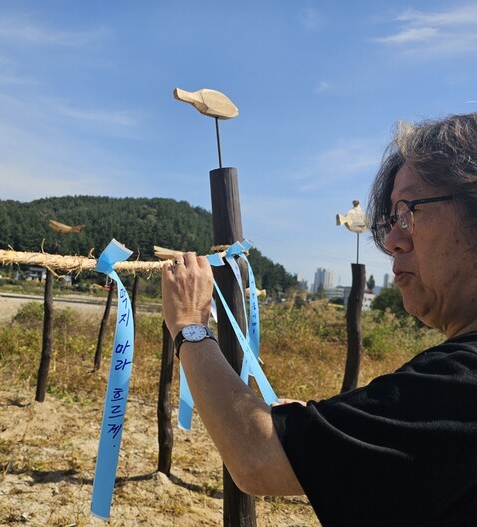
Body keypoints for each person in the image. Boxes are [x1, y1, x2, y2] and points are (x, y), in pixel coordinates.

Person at [161, 112, 477, 526]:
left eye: (408, 212)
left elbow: (256, 457)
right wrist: (323, 436)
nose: (394, 241)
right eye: (390, 221)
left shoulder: (462, 381)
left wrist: (190, 326)